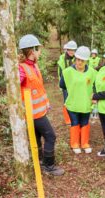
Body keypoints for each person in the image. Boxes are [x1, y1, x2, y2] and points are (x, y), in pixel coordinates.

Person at [18, 34, 64, 176]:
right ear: (32, 51)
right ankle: (48, 166)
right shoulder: (21, 69)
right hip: (32, 114)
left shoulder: (34, 66)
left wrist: (46, 103)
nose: (40, 51)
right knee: (51, 136)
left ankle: (39, 162)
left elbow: (39, 88)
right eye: (38, 49)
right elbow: (14, 88)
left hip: (39, 111)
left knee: (37, 138)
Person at [60, 46, 97, 154]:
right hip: (73, 103)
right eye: (77, 59)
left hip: (86, 103)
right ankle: (75, 144)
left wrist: (94, 95)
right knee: (75, 123)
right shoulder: (67, 72)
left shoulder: (92, 72)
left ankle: (84, 143)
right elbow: (62, 85)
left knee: (85, 122)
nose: (79, 62)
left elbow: (95, 85)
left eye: (82, 60)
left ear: (86, 61)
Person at [57, 40, 77, 125]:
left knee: (75, 100)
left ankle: (75, 116)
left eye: (73, 50)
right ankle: (68, 119)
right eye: (70, 50)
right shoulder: (62, 60)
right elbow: (60, 73)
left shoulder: (77, 58)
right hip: (66, 83)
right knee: (66, 101)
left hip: (76, 84)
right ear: (67, 50)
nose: (72, 52)